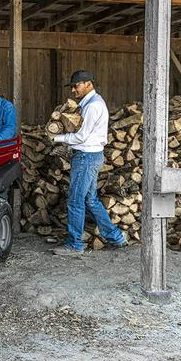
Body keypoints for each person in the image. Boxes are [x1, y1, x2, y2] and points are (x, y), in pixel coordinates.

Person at [51, 70, 126, 256]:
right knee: (90, 200)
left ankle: (75, 245)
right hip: (91, 156)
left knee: (76, 200)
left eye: (76, 85)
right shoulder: (90, 103)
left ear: (88, 84)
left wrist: (57, 138)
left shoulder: (92, 106)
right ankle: (116, 237)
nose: (73, 90)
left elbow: (82, 136)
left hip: (86, 157)